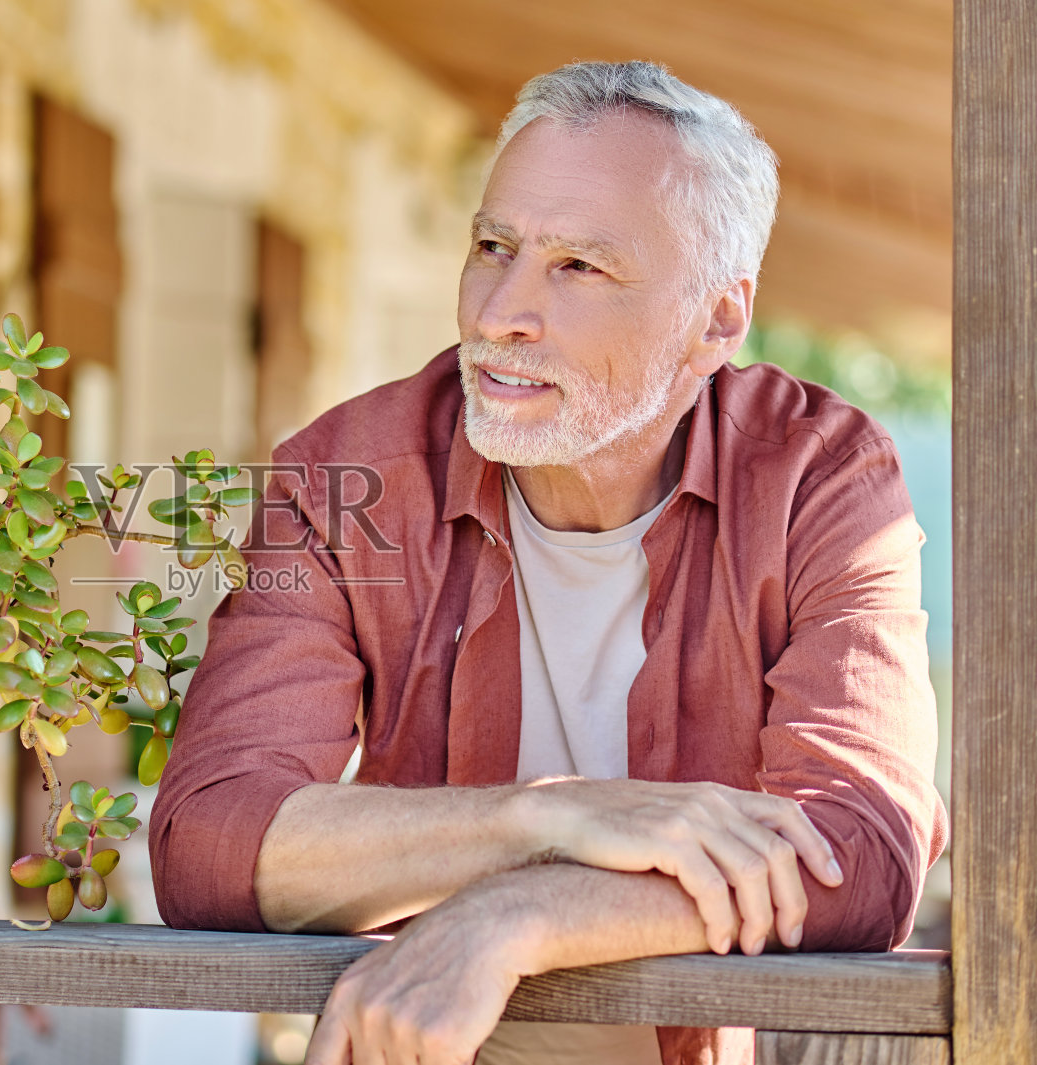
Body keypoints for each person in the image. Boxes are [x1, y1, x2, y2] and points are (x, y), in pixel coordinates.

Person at [147, 61, 945, 1065]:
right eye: (493, 247)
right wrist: (555, 815)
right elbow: (211, 846)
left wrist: (513, 916)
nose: (497, 314)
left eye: (577, 267)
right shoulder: (345, 474)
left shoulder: (817, 476)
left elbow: (860, 851)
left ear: (718, 320)